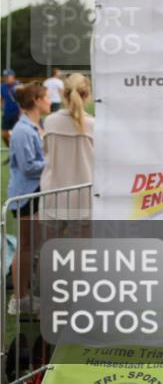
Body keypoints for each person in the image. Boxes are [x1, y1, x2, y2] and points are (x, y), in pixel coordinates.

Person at [6, 82, 50, 314]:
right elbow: (28, 166)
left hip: (34, 193)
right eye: (45, 97)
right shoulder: (23, 130)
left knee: (29, 245)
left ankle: (24, 294)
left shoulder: (35, 125)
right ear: (35, 101)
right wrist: (54, 164)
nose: (49, 100)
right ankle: (19, 298)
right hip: (25, 195)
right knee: (25, 247)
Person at [40, 74, 94, 220]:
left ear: (63, 94)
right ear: (87, 95)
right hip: (85, 201)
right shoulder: (95, 125)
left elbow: (45, 153)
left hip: (53, 197)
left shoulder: (50, 122)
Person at [1, 69, 21, 147]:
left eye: (7, 76)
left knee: (17, 135)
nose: (6, 78)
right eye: (5, 76)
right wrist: (3, 108)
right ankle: (11, 151)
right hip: (7, 114)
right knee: (4, 135)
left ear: (13, 76)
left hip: (17, 114)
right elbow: (1, 99)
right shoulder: (2, 86)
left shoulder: (18, 86)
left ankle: (17, 153)